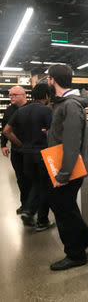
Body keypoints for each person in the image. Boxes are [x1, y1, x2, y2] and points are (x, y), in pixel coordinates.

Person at [46, 64, 88, 271]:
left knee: (63, 209)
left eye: (48, 78)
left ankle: (75, 254)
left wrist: (63, 175)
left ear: (52, 80)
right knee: (67, 208)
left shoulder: (71, 105)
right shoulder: (63, 103)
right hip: (64, 167)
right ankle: (85, 238)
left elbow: (72, 143)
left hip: (69, 169)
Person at [3, 82, 54, 231]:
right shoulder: (47, 111)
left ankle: (28, 209)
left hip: (26, 156)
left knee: (35, 184)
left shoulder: (21, 111)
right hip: (42, 154)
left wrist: (21, 145)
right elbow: (54, 133)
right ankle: (41, 219)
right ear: (46, 96)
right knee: (45, 186)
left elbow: (6, 131)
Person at [1, 86, 28, 214]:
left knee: (32, 179)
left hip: (30, 150)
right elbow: (4, 130)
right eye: (10, 94)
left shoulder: (31, 108)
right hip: (17, 151)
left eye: (14, 95)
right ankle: (25, 205)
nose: (11, 97)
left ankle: (33, 206)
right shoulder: (9, 111)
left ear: (23, 95)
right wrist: (3, 145)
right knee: (20, 178)